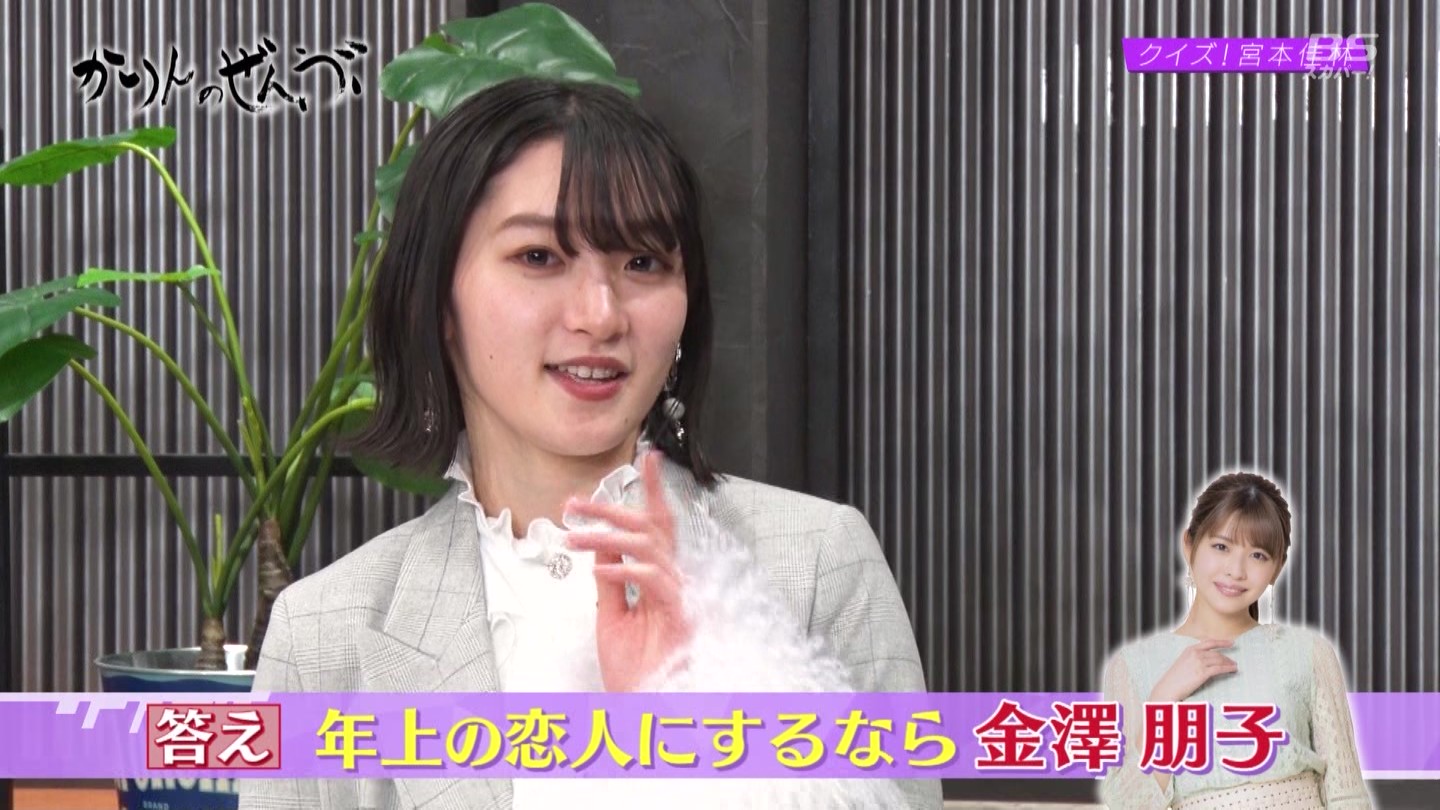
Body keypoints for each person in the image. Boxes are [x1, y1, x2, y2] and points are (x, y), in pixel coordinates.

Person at [237, 77, 939, 809]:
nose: (601, 315)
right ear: (438, 300)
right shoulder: (325, 634)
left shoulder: (818, 566)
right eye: (540, 256)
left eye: (643, 263)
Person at [1099, 472, 1371, 809]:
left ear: (1277, 567)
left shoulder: (1308, 652)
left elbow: (1347, 795)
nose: (1236, 570)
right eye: (1221, 547)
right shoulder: (1133, 666)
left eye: (1258, 555)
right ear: (1189, 545)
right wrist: (1164, 698)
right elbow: (1129, 804)